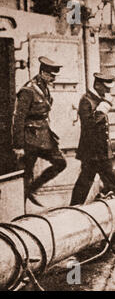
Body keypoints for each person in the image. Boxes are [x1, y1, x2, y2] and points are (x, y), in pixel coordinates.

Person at [12, 56, 67, 207]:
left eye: (54, 76)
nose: (53, 78)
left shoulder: (44, 87)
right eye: (51, 75)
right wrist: (18, 145)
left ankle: (32, 188)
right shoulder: (28, 90)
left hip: (44, 136)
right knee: (26, 173)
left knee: (61, 163)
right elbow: (18, 118)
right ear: (43, 73)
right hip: (30, 138)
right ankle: (21, 206)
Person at [70, 72, 115, 206]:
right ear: (98, 85)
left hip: (99, 151)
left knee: (87, 181)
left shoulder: (98, 99)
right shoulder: (86, 100)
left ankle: (74, 207)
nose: (108, 91)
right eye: (106, 88)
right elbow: (89, 124)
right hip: (92, 151)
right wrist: (104, 106)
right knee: (107, 181)